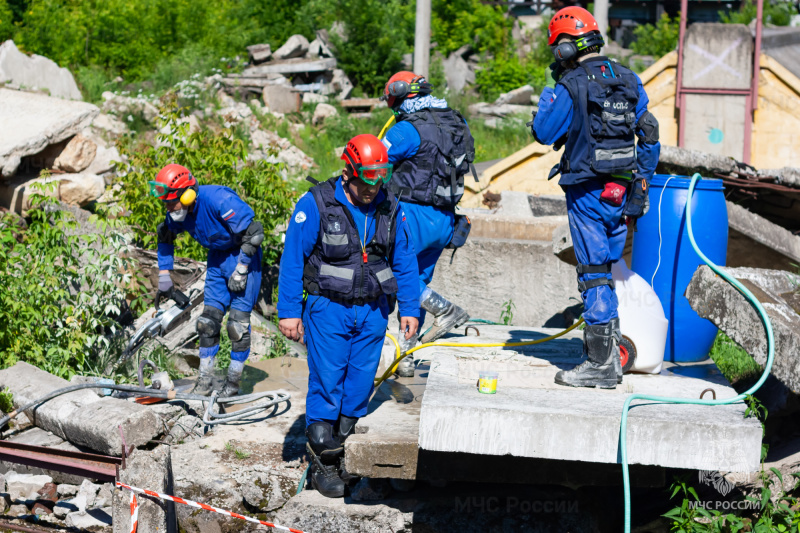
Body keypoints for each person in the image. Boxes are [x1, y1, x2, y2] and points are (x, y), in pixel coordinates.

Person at [277, 134, 419, 498]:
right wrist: (290, 312)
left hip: (373, 311)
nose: (373, 189)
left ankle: (346, 459)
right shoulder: (317, 204)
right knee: (327, 386)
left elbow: (404, 259)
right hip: (328, 310)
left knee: (357, 393)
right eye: (366, 180)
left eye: (380, 179)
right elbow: (292, 258)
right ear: (349, 172)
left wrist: (411, 309)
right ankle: (322, 463)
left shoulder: (391, 206)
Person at [531, 6, 661, 389]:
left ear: (566, 49)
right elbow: (649, 134)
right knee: (605, 270)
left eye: (557, 48)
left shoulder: (572, 83)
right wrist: (642, 183)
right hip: (621, 193)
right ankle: (610, 357)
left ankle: (601, 365)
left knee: (593, 274)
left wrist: (550, 90)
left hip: (587, 190)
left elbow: (543, 131)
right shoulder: (628, 77)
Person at [379, 71, 476, 377]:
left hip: (411, 215)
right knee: (416, 280)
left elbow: (373, 162)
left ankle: (445, 310)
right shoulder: (455, 122)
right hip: (446, 218)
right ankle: (406, 358)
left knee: (398, 278)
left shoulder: (405, 130)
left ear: (398, 97)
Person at [151, 164, 264, 397]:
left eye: (171, 201)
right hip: (217, 259)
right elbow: (165, 233)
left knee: (237, 326)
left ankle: (233, 383)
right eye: (166, 202)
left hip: (243, 257)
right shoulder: (180, 211)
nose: (168, 207)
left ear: (188, 194)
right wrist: (164, 275)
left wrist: (242, 268)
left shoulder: (218, 200)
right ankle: (205, 380)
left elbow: (254, 233)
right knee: (207, 323)